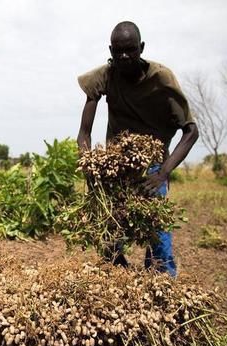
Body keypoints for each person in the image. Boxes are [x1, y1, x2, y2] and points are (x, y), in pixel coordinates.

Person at [76, 21, 199, 277]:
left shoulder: (161, 78)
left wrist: (164, 173)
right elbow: (84, 133)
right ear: (110, 50)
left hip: (153, 166)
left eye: (130, 50)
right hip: (116, 166)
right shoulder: (105, 76)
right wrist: (90, 167)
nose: (124, 57)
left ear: (141, 48)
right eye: (118, 51)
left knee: (157, 239)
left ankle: (162, 289)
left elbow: (190, 131)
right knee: (111, 236)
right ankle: (116, 283)